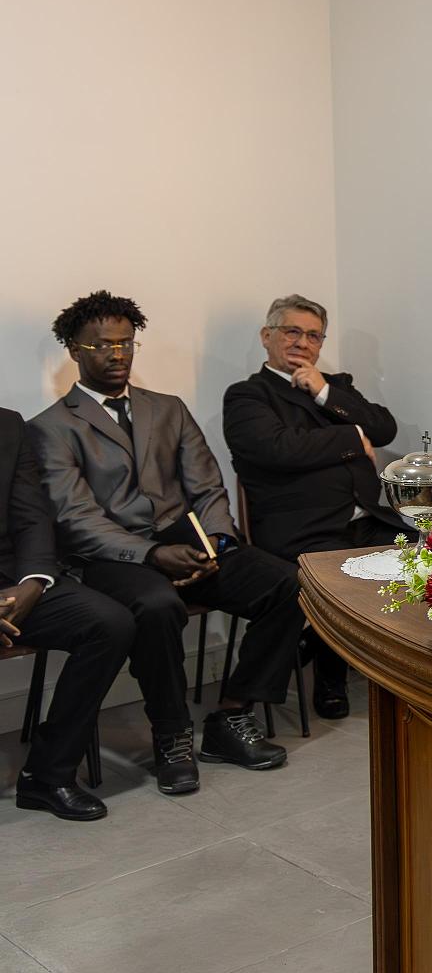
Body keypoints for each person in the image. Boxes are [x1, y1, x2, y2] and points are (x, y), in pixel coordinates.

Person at [29, 290, 303, 795]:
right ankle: (172, 735)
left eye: (125, 343)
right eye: (102, 346)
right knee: (156, 606)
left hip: (188, 543)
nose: (117, 354)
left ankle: (232, 714)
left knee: (288, 584)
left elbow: (207, 485)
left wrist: (217, 541)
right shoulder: (50, 427)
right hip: (112, 557)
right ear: (74, 349)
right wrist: (152, 554)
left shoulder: (168, 408)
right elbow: (77, 519)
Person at [223, 294, 407, 718]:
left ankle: (404, 673)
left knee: (427, 555)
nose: (302, 342)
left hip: (364, 518)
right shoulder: (248, 396)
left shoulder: (335, 387)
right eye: (292, 331)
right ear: (266, 336)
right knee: (339, 573)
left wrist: (324, 392)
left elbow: (383, 428)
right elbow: (278, 449)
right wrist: (350, 438)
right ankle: (330, 680)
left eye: (313, 336)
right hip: (301, 528)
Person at [1, 407, 135, 821]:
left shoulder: (7, 425)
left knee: (109, 624)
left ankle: (47, 775)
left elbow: (31, 515)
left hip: (11, 581)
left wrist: (33, 584)